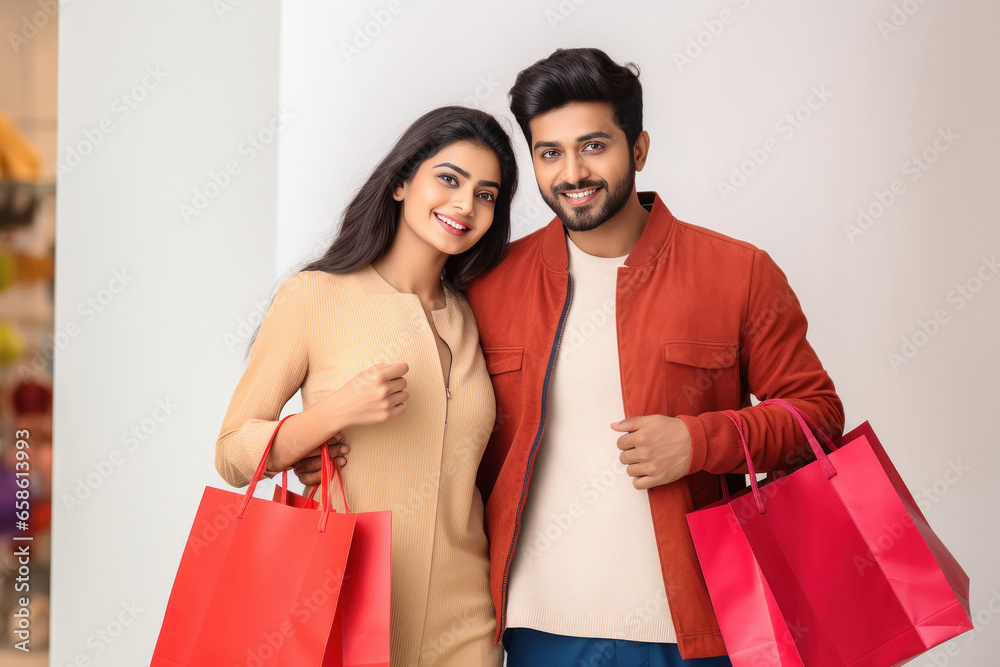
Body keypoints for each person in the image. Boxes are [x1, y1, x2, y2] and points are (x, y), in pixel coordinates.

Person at [463, 48, 845, 665]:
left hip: (694, 629)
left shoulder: (736, 272)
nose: (571, 173)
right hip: (536, 628)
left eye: (593, 146)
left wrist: (700, 441)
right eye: (549, 153)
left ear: (638, 150)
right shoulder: (490, 283)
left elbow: (818, 417)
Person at [214, 105, 517, 667]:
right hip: (343, 607)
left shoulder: (477, 314)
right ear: (401, 182)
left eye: (486, 194)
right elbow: (232, 452)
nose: (465, 205)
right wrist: (326, 418)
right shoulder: (315, 296)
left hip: (467, 621)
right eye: (448, 179)